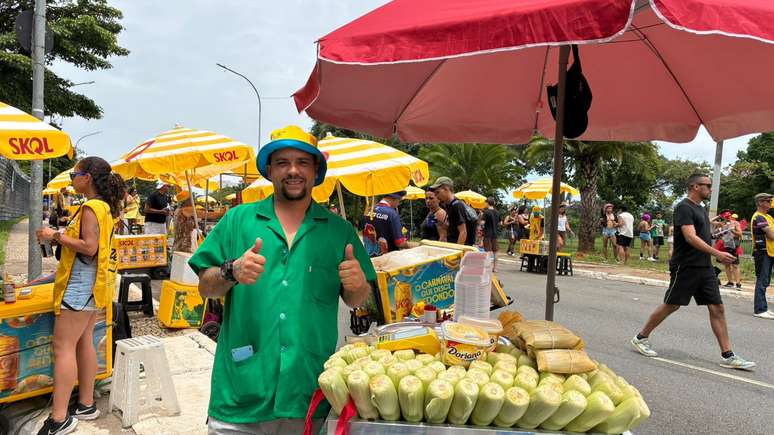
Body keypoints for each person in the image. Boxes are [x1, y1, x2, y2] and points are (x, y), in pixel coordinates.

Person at [187, 125, 376, 434]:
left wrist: (358, 286)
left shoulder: (339, 231)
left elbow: (356, 299)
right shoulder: (239, 220)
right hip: (241, 391)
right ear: (269, 170)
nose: (292, 170)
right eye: (282, 162)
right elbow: (206, 285)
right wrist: (230, 271)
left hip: (308, 390)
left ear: (316, 171)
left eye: (302, 162)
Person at [35, 157, 125, 434]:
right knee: (84, 341)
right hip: (94, 285)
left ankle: (59, 418)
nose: (72, 178)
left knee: (62, 348)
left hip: (79, 287)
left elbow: (89, 247)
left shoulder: (90, 208)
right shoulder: (105, 207)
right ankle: (86, 404)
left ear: (87, 178)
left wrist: (54, 236)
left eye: (75, 174)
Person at [630, 173, 755, 370]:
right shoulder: (684, 207)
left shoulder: (700, 208)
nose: (710, 189)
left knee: (717, 307)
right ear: (695, 186)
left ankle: (728, 355)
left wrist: (719, 234)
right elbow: (689, 237)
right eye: (707, 185)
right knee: (672, 304)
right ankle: (640, 338)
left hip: (704, 266)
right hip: (686, 265)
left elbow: (702, 235)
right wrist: (718, 253)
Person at [430, 176, 477, 246]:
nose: (436, 196)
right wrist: (444, 225)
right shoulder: (450, 205)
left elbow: (463, 232)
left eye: (437, 192)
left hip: (461, 247)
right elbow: (455, 228)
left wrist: (457, 252)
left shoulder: (456, 205)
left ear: (446, 188)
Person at [750, 193, 774, 319]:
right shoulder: (758, 217)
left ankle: (763, 307)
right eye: (768, 201)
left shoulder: (768, 217)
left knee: (765, 280)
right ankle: (759, 309)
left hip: (770, 252)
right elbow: (771, 235)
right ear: (760, 203)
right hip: (762, 252)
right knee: (762, 280)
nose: (770, 203)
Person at [715, 210, 742, 290]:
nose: (727, 218)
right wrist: (719, 216)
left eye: (728, 216)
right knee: (727, 264)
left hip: (734, 246)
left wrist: (732, 230)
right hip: (725, 245)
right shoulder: (722, 223)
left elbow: (740, 233)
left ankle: (738, 283)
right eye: (725, 217)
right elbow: (711, 221)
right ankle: (730, 282)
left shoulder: (735, 223)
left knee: (735, 265)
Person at [482, 197, 500, 271]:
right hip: (495, 234)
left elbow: (482, 223)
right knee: (495, 251)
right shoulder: (497, 212)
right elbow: (500, 223)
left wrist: (480, 222)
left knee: (488, 251)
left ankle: (488, 267)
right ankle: (495, 268)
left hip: (487, 234)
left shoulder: (486, 212)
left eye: (485, 203)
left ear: (487, 203)